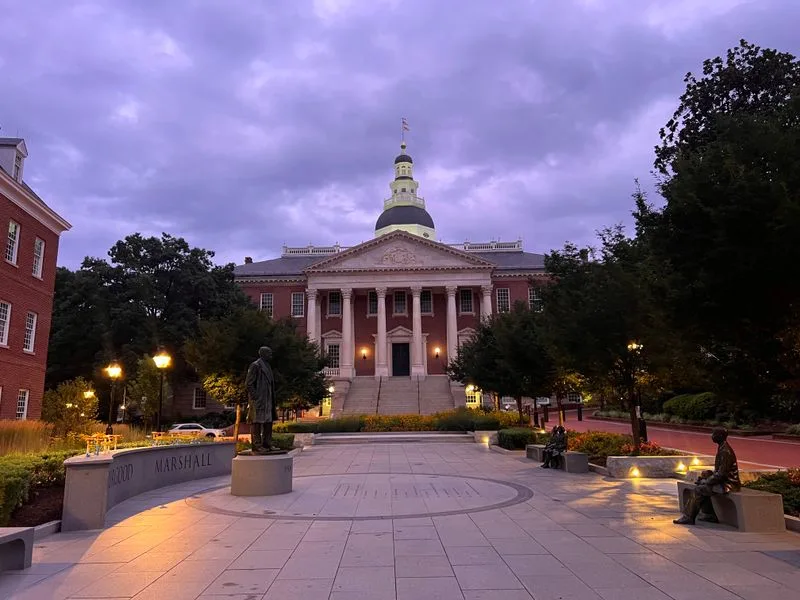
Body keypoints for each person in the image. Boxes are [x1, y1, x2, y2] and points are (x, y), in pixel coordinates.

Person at [674, 427, 741, 525]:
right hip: (723, 480)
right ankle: (708, 515)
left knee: (699, 489)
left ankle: (689, 517)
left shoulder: (725, 451)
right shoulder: (722, 447)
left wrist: (707, 481)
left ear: (721, 436)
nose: (712, 436)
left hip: (728, 483)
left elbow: (721, 474)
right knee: (703, 482)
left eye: (715, 434)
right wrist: (707, 476)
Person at [244, 346, 278, 454]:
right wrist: (256, 396)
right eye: (269, 353)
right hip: (259, 400)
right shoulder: (255, 365)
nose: (271, 355)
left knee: (268, 422)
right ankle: (257, 446)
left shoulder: (267, 366)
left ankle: (267, 444)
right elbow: (249, 384)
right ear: (263, 354)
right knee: (257, 423)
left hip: (268, 399)